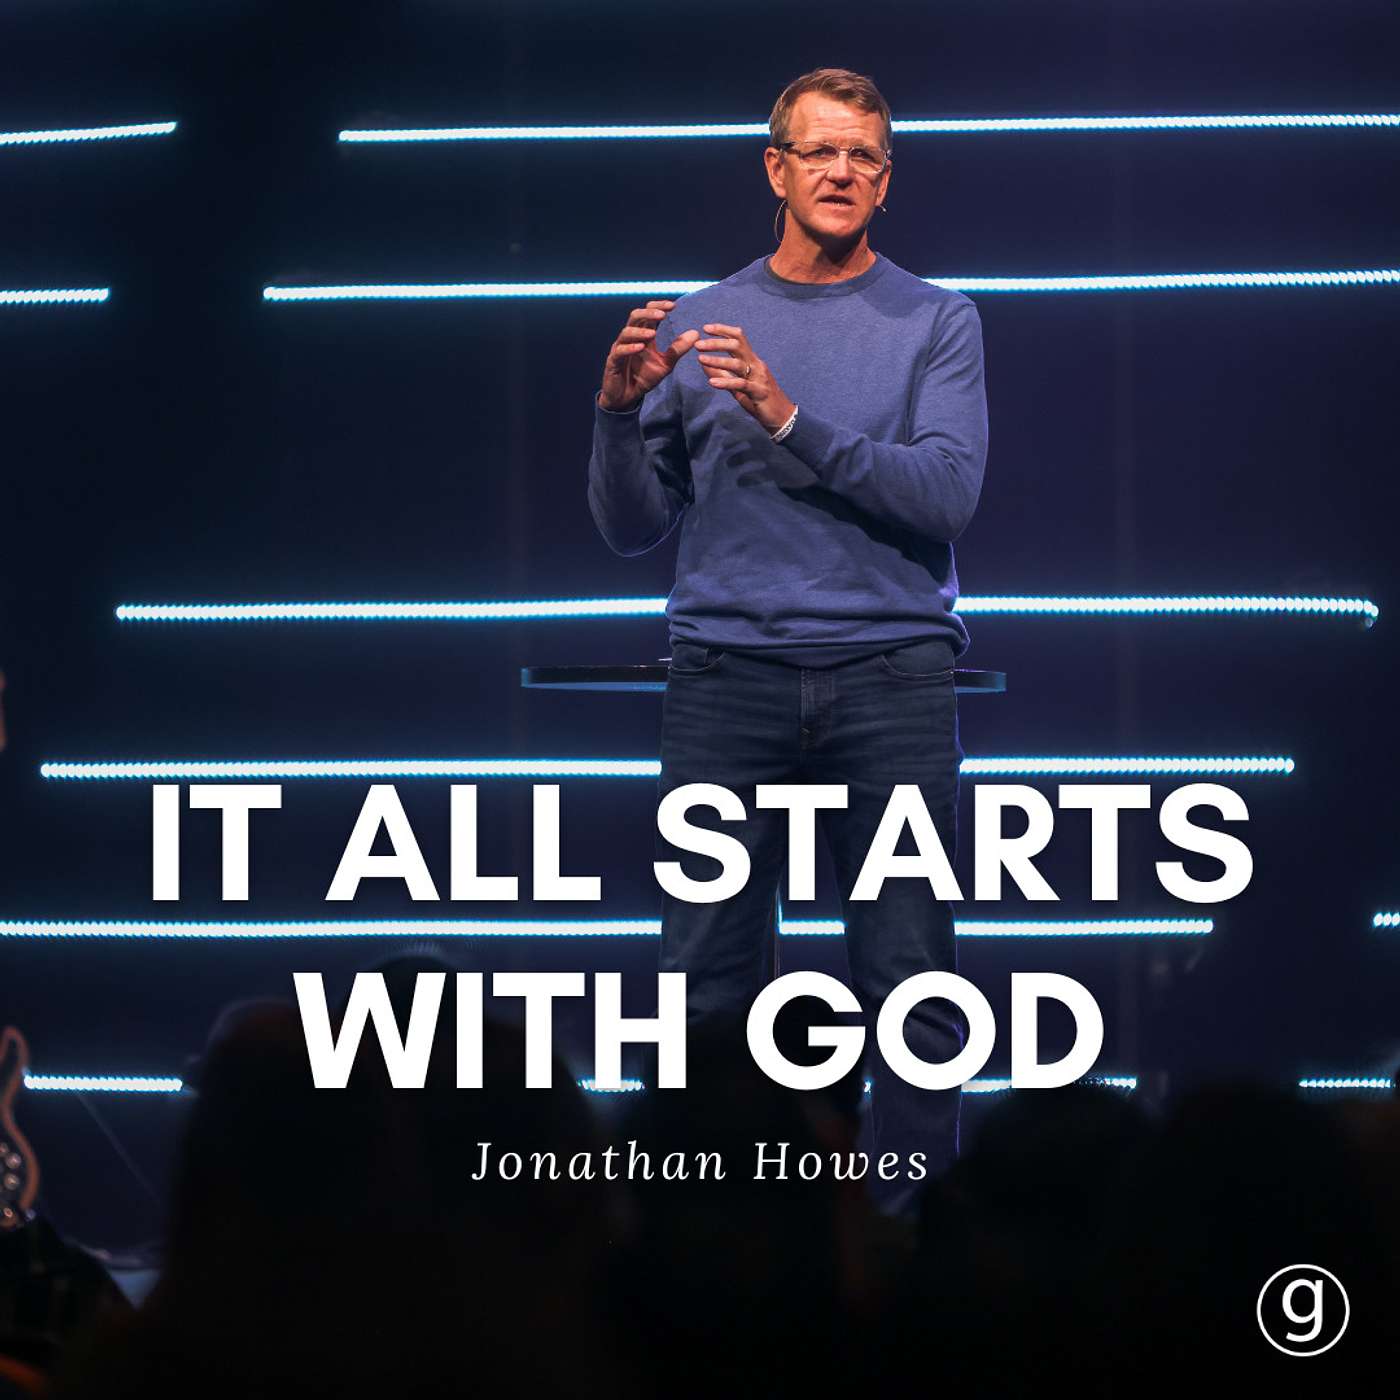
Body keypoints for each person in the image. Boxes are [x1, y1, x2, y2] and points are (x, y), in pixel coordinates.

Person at [587, 68, 988, 1213]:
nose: (840, 173)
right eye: (819, 152)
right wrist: (615, 413)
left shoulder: (937, 319)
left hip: (890, 674)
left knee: (910, 978)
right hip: (726, 676)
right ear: (776, 169)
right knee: (703, 979)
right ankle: (710, 1231)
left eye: (862, 156)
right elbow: (629, 526)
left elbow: (945, 494)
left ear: (885, 179)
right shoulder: (693, 321)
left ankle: (906, 1242)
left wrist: (788, 418)